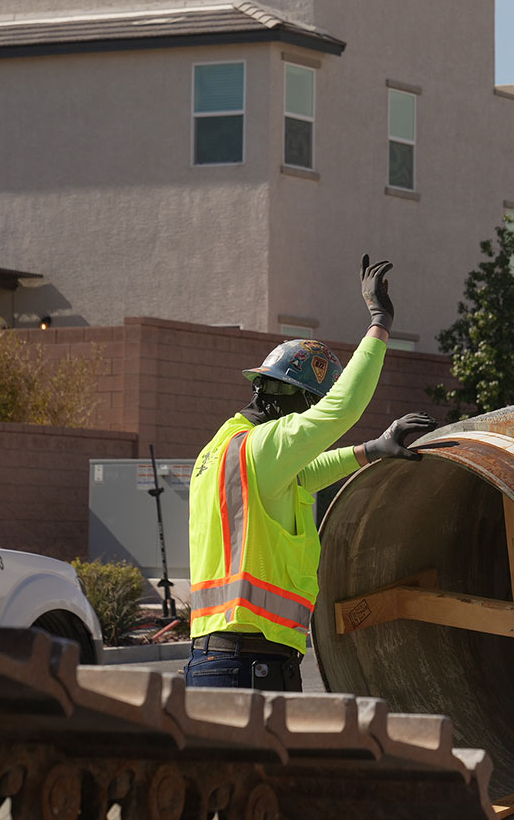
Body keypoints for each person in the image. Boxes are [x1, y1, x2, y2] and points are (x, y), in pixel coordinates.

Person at [184, 255, 437, 691]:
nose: (311, 421)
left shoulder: (224, 451)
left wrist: (370, 450)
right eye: (311, 406)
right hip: (248, 664)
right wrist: (380, 322)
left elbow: (304, 475)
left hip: (226, 660)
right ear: (290, 399)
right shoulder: (263, 448)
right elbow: (343, 409)